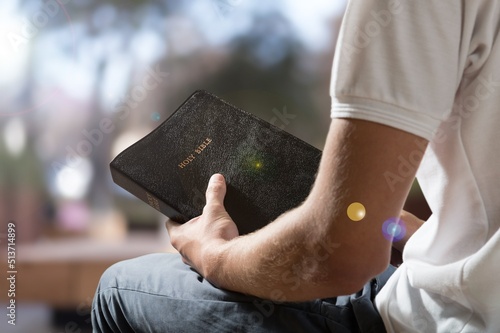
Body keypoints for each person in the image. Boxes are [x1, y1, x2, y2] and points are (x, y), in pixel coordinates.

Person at [92, 1, 500, 332]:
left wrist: (214, 255)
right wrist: (436, 237)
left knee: (117, 289)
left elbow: (336, 258)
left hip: (453, 318)